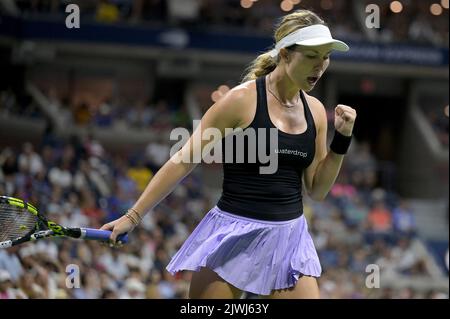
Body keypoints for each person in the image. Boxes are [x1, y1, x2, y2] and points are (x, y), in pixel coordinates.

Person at [101, 9, 357, 299]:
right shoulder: (240, 100)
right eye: (311, 56)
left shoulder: (315, 112)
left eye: (326, 57)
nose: (320, 66)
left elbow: (318, 189)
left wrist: (342, 140)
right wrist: (132, 217)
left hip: (289, 238)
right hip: (234, 234)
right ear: (285, 54)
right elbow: (183, 160)